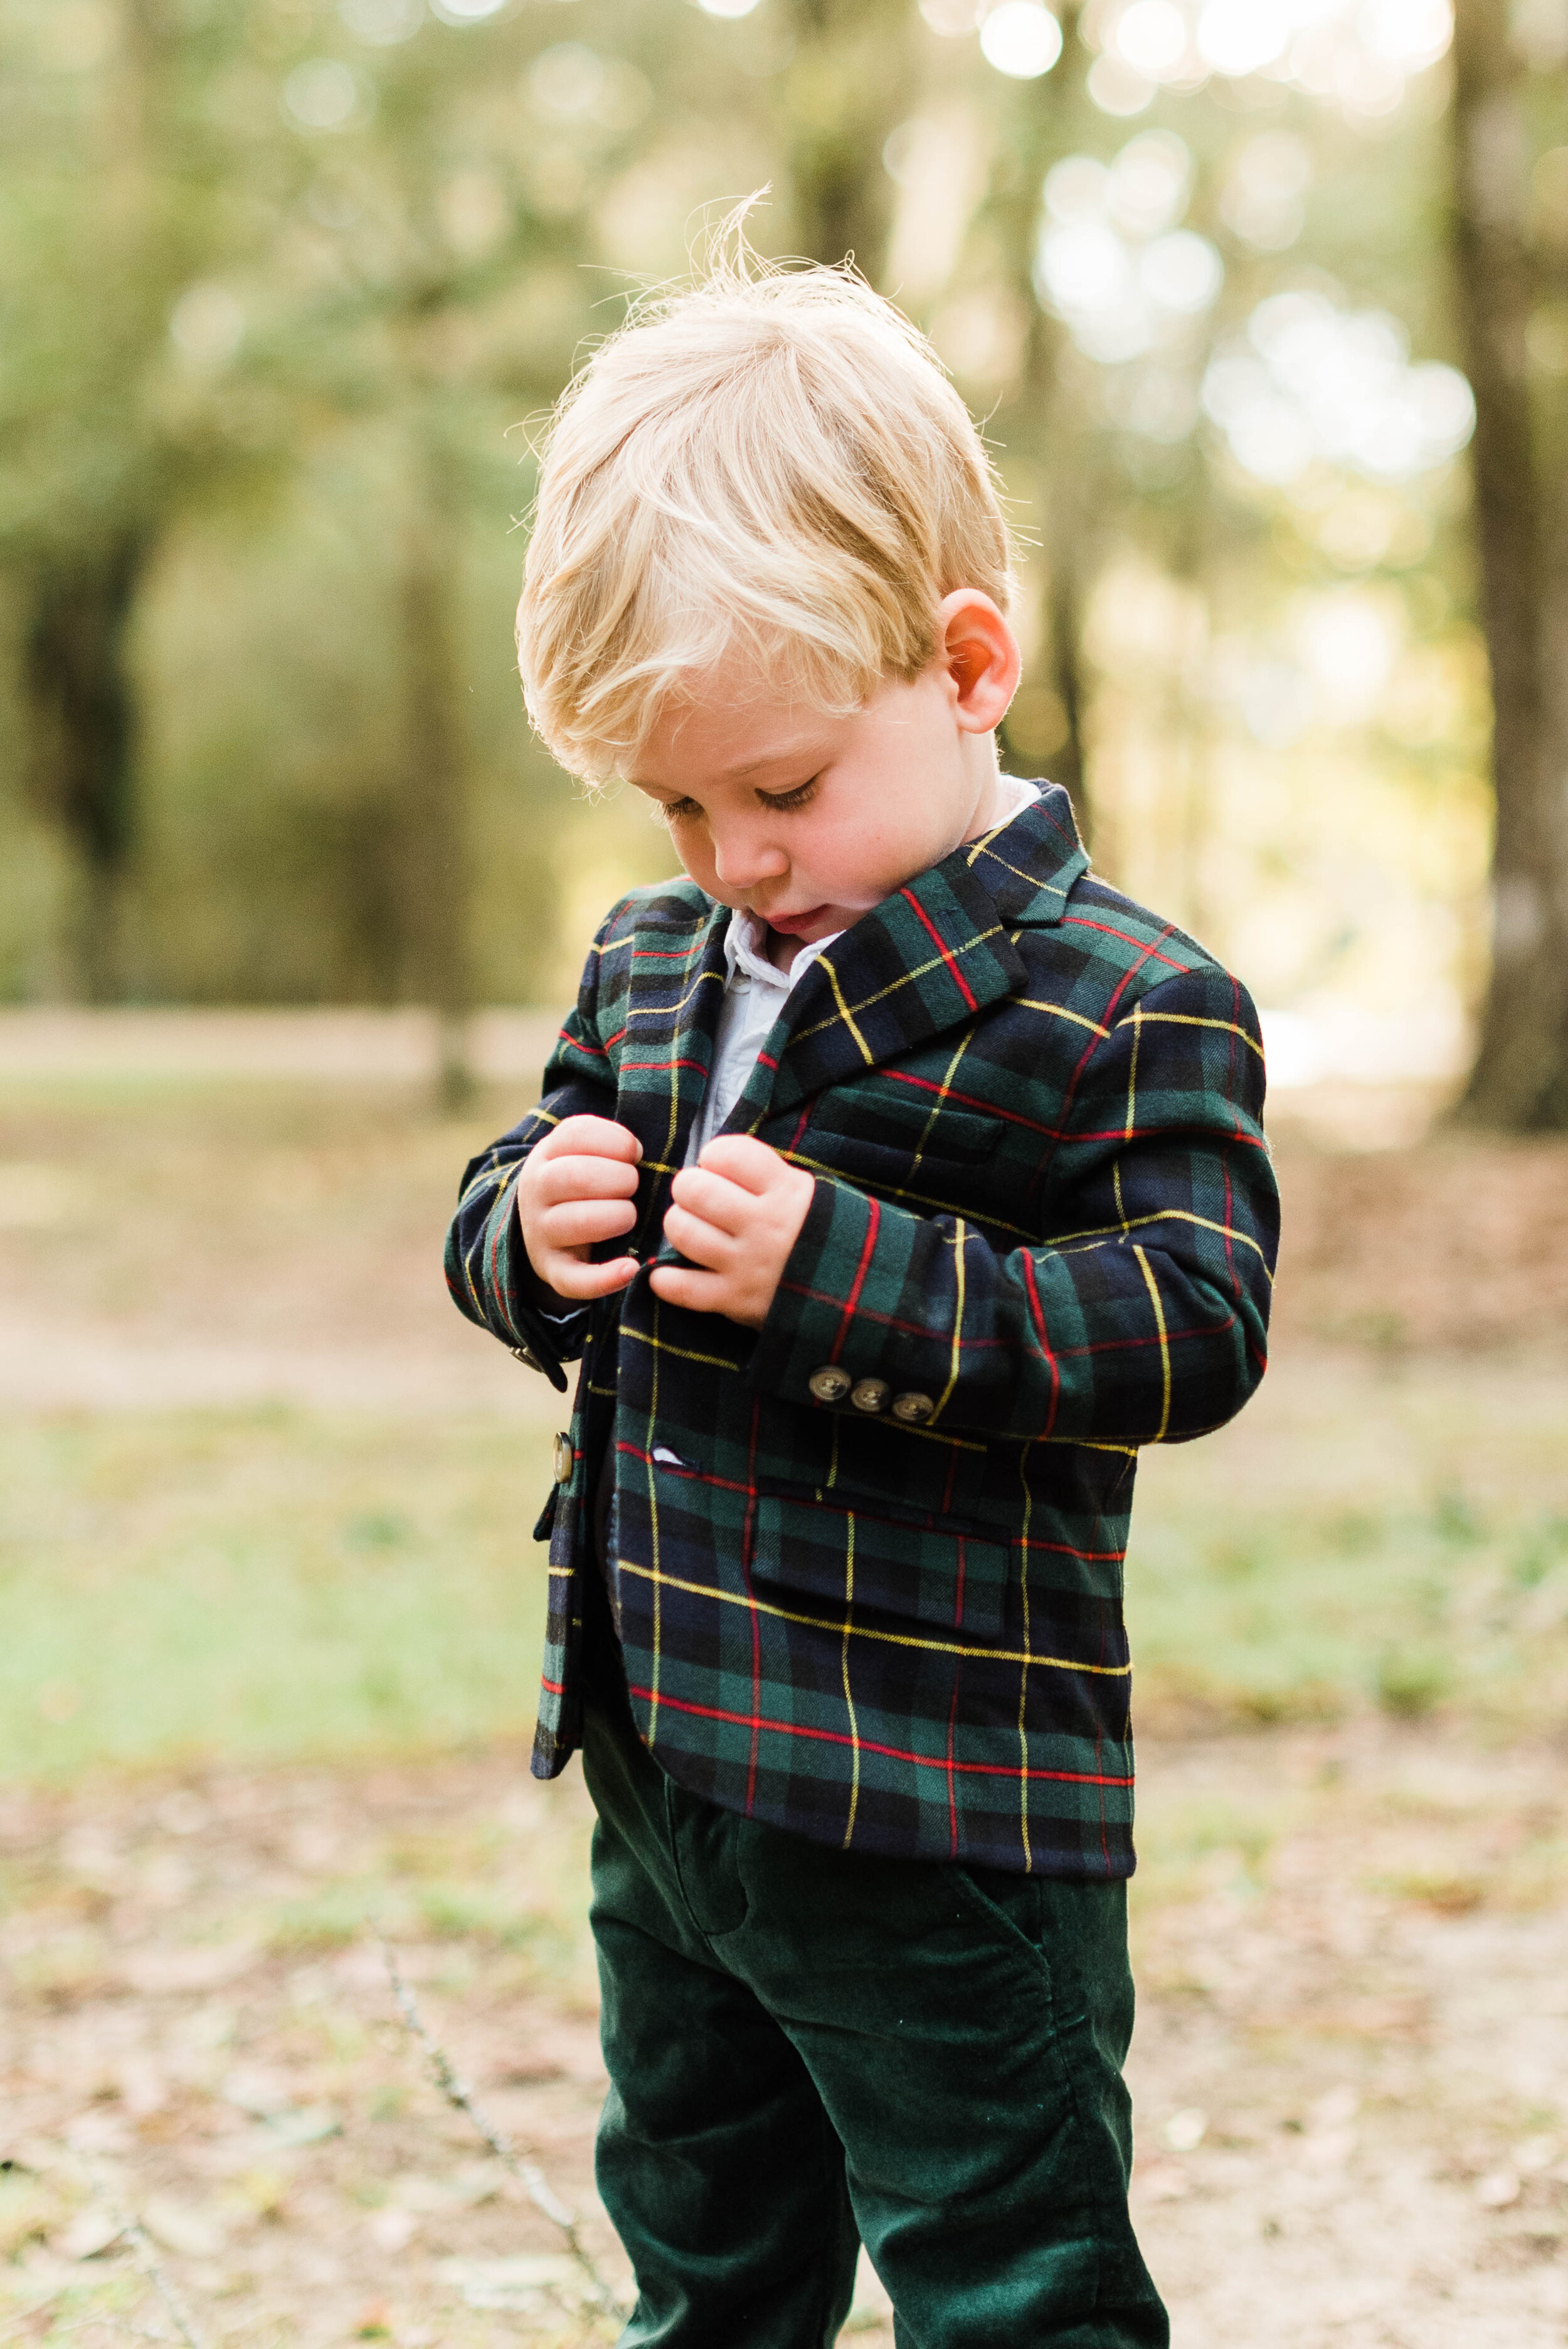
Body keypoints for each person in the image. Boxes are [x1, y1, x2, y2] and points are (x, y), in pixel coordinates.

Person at [446, 250, 1279, 2349]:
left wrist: (851, 1276)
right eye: (675, 803)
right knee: (705, 2244)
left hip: (935, 1784)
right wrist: (522, 1231)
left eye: (781, 787)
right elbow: (520, 1208)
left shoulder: (1125, 1001)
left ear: (965, 660)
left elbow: (1190, 1323)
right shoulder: (650, 963)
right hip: (667, 1749)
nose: (731, 852)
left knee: (1010, 2273)